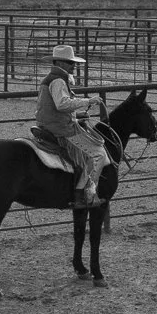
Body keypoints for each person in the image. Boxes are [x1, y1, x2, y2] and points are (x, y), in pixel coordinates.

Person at [38, 43, 108, 208]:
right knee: (98, 154)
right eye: (71, 62)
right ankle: (84, 195)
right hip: (61, 127)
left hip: (49, 123)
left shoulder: (51, 79)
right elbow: (62, 104)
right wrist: (88, 101)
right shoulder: (58, 81)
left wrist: (76, 114)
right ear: (61, 63)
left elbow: (55, 106)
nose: (73, 65)